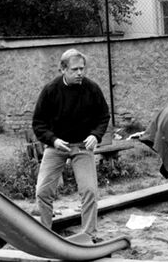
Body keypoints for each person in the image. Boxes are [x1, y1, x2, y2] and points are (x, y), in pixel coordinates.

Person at [32, 49, 110, 235]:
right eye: (75, 69)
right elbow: (38, 123)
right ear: (63, 69)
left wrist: (96, 135)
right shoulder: (51, 90)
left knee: (90, 191)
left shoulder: (92, 89)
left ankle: (89, 234)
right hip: (57, 146)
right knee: (42, 192)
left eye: (82, 68)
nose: (80, 73)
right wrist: (53, 140)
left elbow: (103, 116)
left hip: (82, 146)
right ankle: (45, 233)